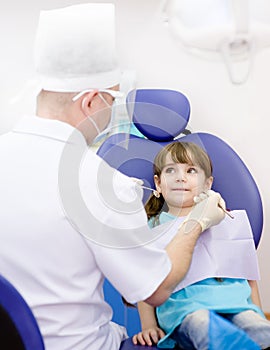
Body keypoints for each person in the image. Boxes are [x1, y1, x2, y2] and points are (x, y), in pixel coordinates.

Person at [0, 4, 225, 350]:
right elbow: (158, 287)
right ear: (90, 101)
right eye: (115, 100)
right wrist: (196, 221)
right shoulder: (96, 181)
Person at [132, 141, 270, 350]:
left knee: (258, 329)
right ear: (158, 184)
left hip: (237, 305)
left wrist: (256, 312)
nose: (180, 177)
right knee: (203, 325)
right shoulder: (153, 227)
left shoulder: (228, 222)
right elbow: (144, 281)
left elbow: (248, 275)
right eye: (171, 170)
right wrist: (149, 325)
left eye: (191, 170)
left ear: (207, 184)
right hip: (185, 312)